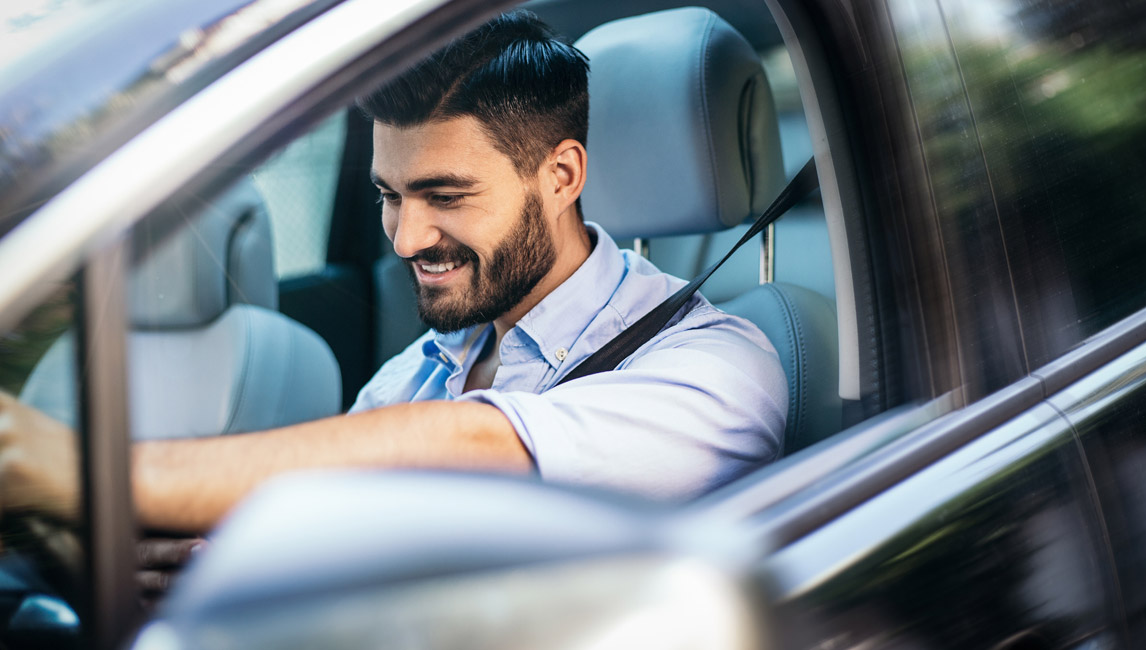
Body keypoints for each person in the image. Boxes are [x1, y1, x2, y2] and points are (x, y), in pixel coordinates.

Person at [0, 10, 785, 539]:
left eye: (446, 195)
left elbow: (476, 444)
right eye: (389, 195)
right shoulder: (415, 374)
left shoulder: (715, 370)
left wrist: (84, 471)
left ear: (561, 175)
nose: (407, 238)